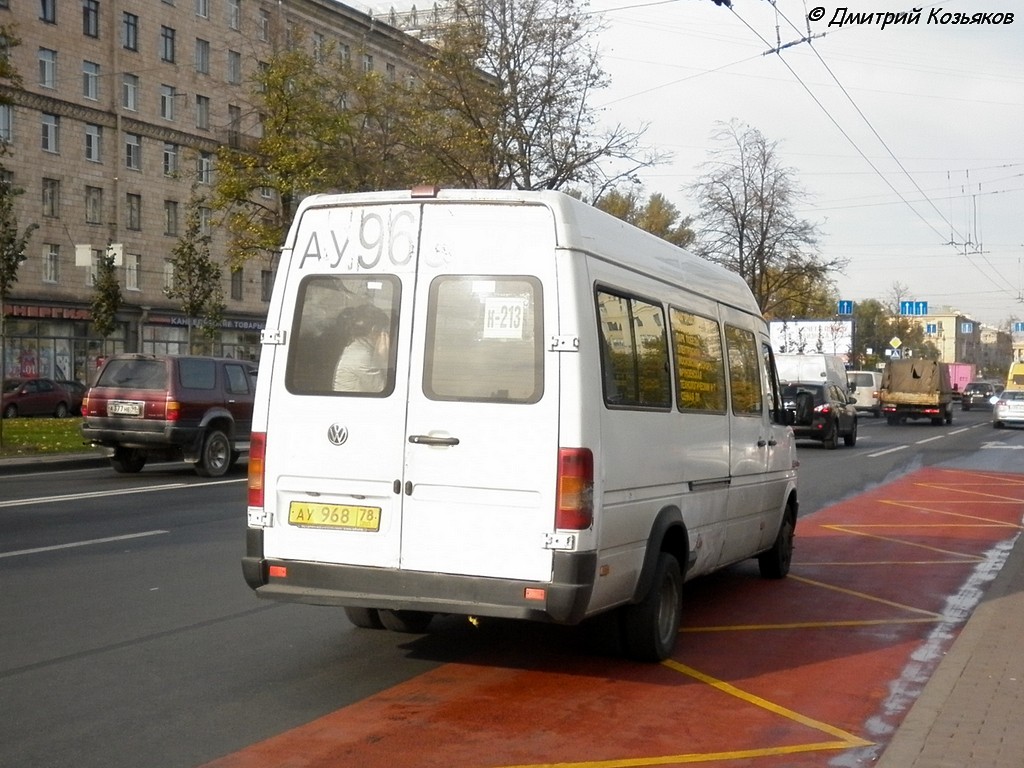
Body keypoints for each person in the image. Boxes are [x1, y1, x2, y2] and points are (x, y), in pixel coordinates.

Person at [333, 304, 391, 392]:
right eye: (385, 330)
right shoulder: (363, 357)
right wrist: (384, 360)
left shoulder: (356, 347)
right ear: (374, 330)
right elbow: (383, 390)